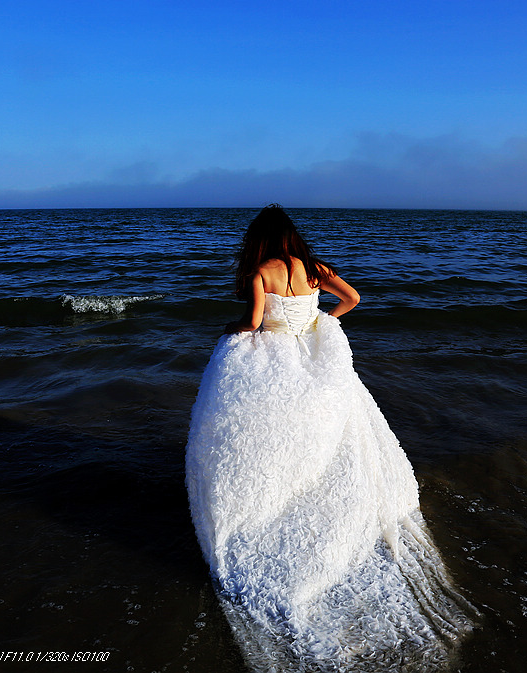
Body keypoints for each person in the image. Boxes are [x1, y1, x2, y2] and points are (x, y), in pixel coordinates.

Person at [185, 205, 474, 672]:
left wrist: (229, 331)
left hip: (275, 360)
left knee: (268, 439)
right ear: (291, 237)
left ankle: (270, 497)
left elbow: (256, 323)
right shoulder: (315, 269)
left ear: (258, 240)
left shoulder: (262, 271)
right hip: (310, 354)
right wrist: (324, 321)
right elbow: (353, 300)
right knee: (329, 439)